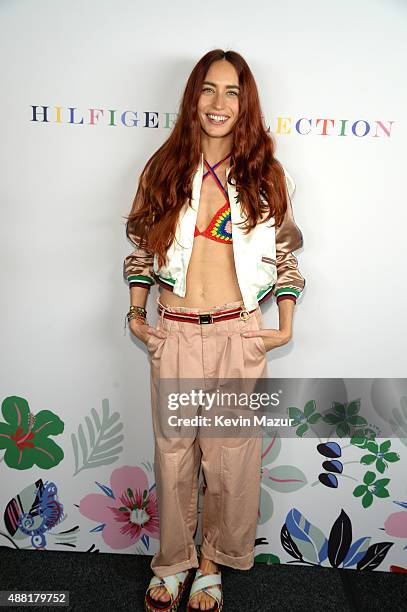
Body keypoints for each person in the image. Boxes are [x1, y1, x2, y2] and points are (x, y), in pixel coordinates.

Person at [123, 49, 305, 612]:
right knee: (173, 456)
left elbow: (286, 255)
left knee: (229, 459)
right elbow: (139, 247)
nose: (218, 103)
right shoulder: (164, 169)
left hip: (237, 335)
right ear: (192, 98)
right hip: (175, 331)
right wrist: (137, 316)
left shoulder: (265, 176)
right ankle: (173, 562)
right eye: (208, 89)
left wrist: (281, 328)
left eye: (231, 92)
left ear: (244, 102)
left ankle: (211, 563)